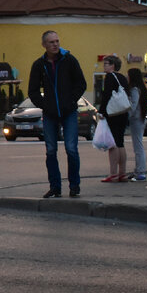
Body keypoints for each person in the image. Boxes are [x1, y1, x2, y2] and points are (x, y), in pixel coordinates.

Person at [27, 30, 87, 198]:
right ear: (44, 45)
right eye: (51, 42)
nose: (55, 44)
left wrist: (71, 101)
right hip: (50, 114)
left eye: (57, 41)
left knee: (71, 149)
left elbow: (81, 83)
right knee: (51, 150)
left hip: (69, 112)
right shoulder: (39, 65)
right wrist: (45, 105)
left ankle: (74, 186)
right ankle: (55, 187)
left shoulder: (69, 60)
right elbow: (32, 91)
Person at [99, 55, 129, 182]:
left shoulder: (110, 77)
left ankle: (113, 173)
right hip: (123, 112)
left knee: (113, 143)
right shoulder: (122, 77)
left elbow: (106, 95)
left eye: (106, 63)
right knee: (120, 142)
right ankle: (122, 173)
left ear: (113, 65)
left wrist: (101, 111)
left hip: (112, 113)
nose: (104, 66)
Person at [126, 68, 147, 181]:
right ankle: (138, 170)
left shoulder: (134, 89)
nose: (127, 77)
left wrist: (127, 116)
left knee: (138, 146)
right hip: (140, 118)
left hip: (136, 119)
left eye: (128, 75)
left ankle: (141, 171)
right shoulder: (142, 88)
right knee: (138, 145)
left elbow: (133, 105)